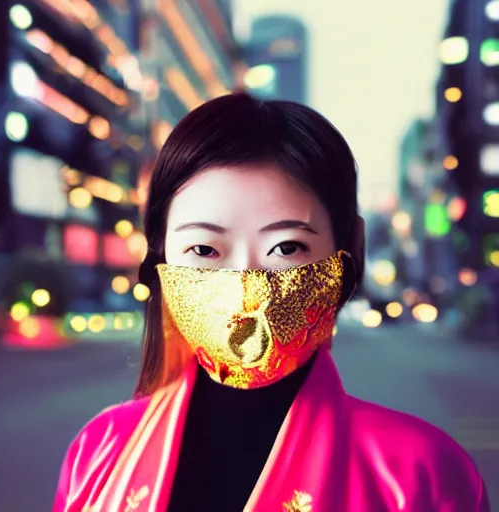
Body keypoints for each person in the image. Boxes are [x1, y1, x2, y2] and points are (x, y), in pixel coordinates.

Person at [53, 93, 490, 512]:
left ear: (349, 250)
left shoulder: (418, 473)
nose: (247, 287)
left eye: (286, 248)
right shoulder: (100, 451)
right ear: (159, 257)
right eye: (204, 250)